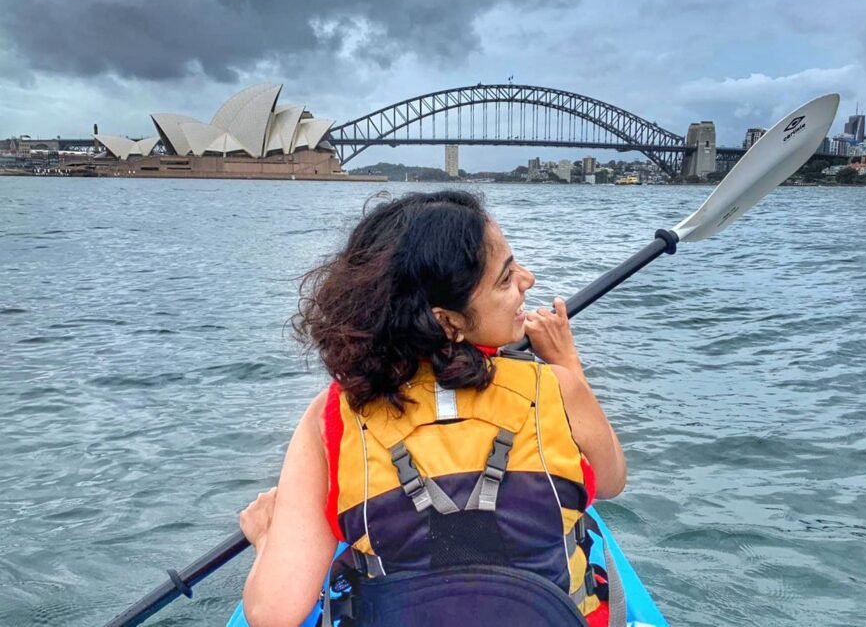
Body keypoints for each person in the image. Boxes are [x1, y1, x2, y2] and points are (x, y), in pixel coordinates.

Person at [239, 190, 626, 627]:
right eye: (505, 278)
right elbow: (610, 481)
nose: (528, 279)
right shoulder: (556, 387)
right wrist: (568, 367)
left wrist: (268, 538)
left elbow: (274, 613)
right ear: (447, 321)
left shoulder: (331, 414)